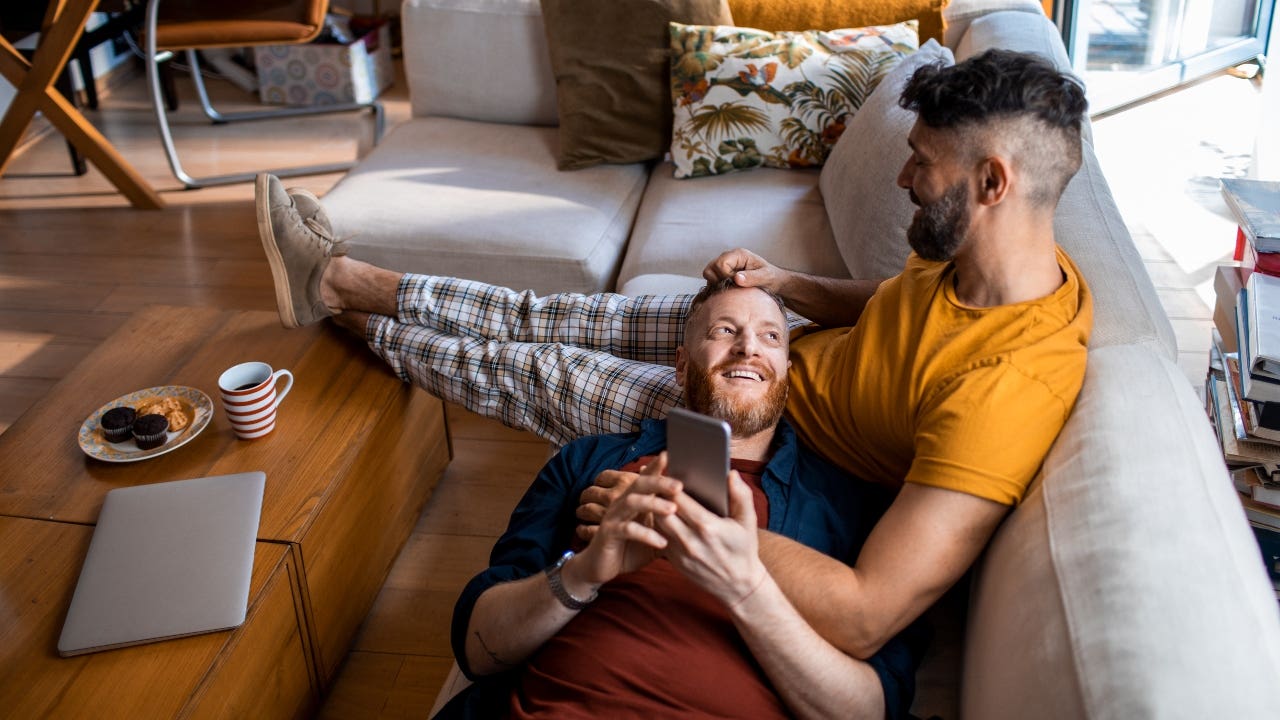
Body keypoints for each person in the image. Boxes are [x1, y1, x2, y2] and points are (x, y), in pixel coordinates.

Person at [255, 48, 1092, 660]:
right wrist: (788, 285)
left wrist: (686, 508)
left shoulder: (1009, 387)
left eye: (924, 165)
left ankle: (341, 311)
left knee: (532, 370)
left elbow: (868, 613)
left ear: (993, 183)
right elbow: (894, 306)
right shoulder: (978, 255)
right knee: (556, 316)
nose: (907, 179)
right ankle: (349, 282)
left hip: (766, 434)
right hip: (784, 348)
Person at [433, 279, 926, 719]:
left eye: (771, 336)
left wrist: (746, 587)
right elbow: (479, 649)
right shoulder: (591, 462)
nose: (748, 348)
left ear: (788, 373)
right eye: (724, 331)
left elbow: (871, 706)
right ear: (681, 365)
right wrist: (581, 574)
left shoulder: (847, 501)